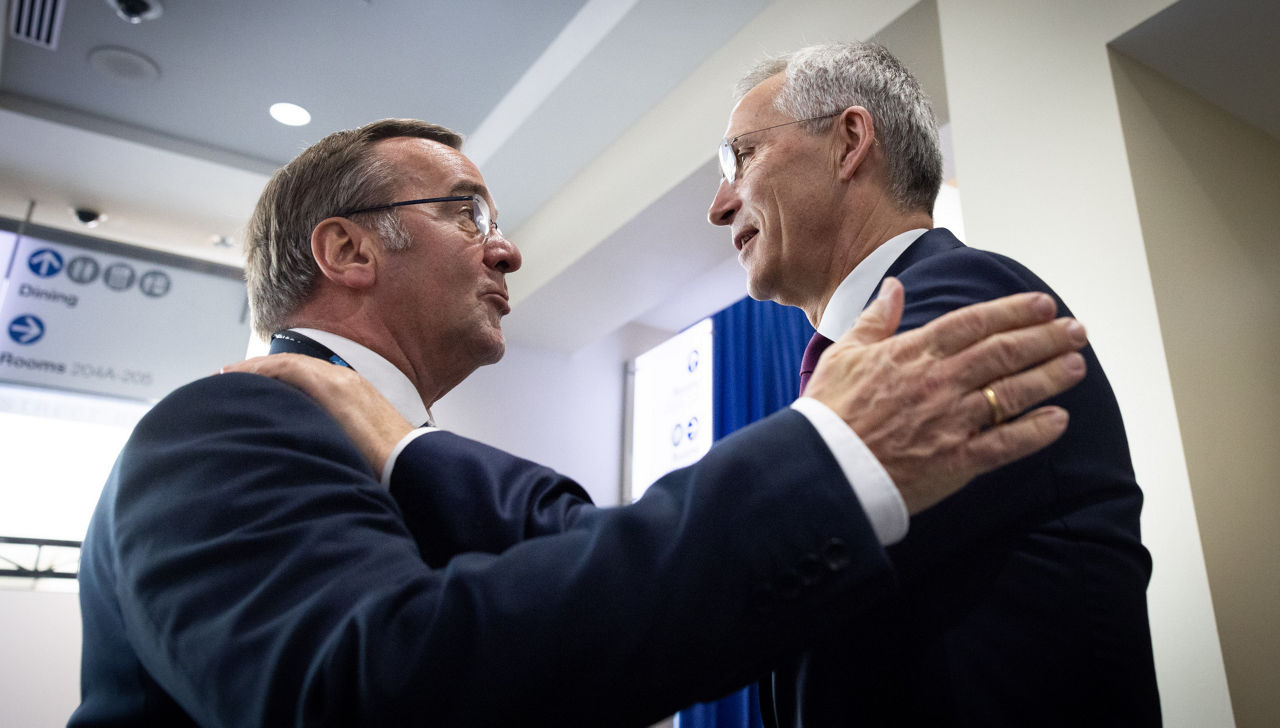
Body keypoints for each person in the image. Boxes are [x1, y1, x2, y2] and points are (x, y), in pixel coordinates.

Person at [73, 119, 1089, 727]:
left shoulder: (380, 451)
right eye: (469, 213)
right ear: (345, 248)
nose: (506, 252)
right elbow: (366, 691)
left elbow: (570, 566)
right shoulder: (224, 420)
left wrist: (413, 451)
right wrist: (830, 455)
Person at [705, 42, 1161, 726]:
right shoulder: (863, 351)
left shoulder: (969, 300)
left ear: (849, 142)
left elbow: (755, 550)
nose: (718, 204)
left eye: (739, 157)